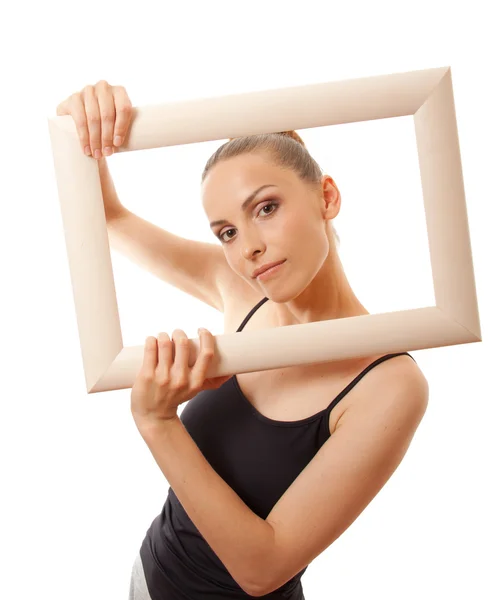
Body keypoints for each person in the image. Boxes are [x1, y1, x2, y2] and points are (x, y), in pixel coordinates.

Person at [56, 81, 427, 599]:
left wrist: (158, 422)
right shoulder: (241, 289)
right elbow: (107, 216)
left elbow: (263, 567)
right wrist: (85, 125)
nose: (248, 247)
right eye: (226, 231)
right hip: (147, 580)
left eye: (266, 208)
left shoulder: (388, 383)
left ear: (327, 196)